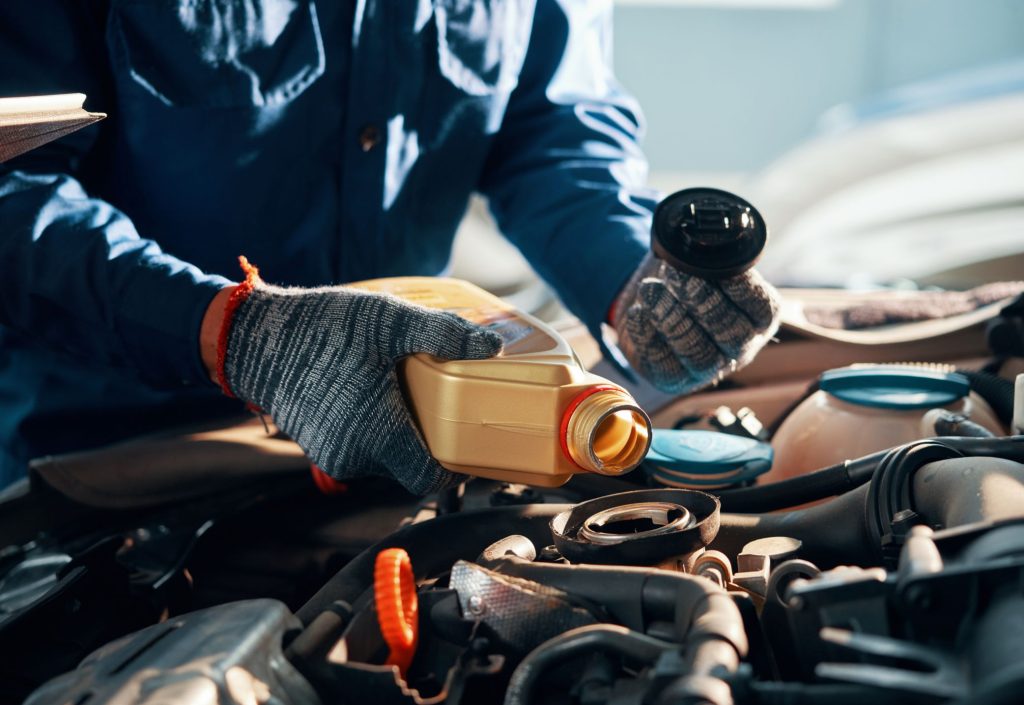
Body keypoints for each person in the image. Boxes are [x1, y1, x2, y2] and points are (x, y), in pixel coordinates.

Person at [0, 0, 779, 493]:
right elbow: (14, 188)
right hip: (112, 467)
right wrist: (235, 333)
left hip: (403, 442)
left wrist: (630, 283)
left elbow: (551, 127)